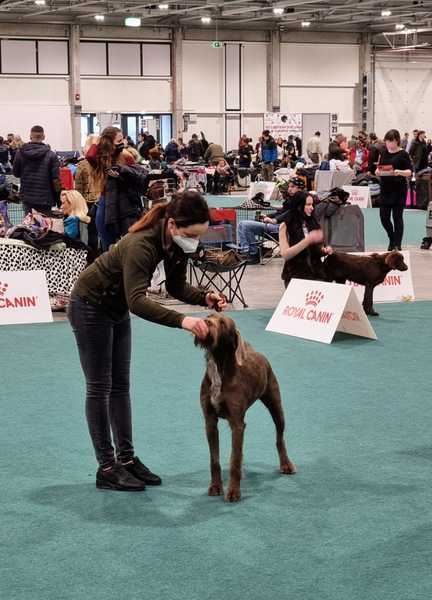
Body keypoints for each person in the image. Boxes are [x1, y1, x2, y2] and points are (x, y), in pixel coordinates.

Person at [67, 191, 227, 491]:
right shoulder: (141, 244)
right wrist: (184, 321)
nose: (195, 241)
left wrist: (204, 297)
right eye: (192, 234)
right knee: (100, 388)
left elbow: (177, 286)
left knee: (121, 387)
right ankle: (106, 467)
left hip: (114, 309)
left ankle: (126, 460)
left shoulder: (177, 243)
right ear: (173, 226)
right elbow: (137, 301)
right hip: (90, 306)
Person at [237, 177, 307, 264]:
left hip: (283, 230)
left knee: (245, 225)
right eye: (289, 186)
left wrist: (274, 220)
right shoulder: (291, 199)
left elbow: (290, 213)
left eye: (292, 187)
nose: (289, 189)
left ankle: (252, 253)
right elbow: (281, 212)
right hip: (276, 227)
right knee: (244, 223)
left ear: (300, 189)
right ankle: (250, 251)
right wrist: (267, 216)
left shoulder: (301, 200)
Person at [279, 194, 332, 288]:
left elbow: (317, 251)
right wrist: (307, 241)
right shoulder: (285, 225)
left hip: (317, 273)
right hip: (295, 275)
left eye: (312, 205)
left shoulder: (313, 223)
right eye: (308, 204)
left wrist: (325, 250)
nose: (312, 208)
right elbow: (286, 254)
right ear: (299, 206)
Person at [85, 126, 125, 252]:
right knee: (107, 241)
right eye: (119, 141)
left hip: (123, 202)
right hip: (106, 201)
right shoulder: (104, 161)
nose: (122, 143)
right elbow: (90, 156)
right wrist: (97, 143)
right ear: (109, 142)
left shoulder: (126, 157)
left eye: (122, 140)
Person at [376, 129, 412, 251]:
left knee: (397, 217)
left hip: (399, 190)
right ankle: (392, 238)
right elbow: (380, 167)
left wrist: (399, 172)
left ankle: (397, 244)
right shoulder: (383, 152)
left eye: (390, 141)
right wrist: (377, 172)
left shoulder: (403, 154)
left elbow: (409, 172)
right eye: (386, 141)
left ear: (397, 141)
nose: (388, 144)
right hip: (385, 189)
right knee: (384, 217)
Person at [13, 125, 60, 215]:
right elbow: (56, 180)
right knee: (45, 226)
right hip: (45, 198)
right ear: (43, 137)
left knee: (29, 226)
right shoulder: (51, 155)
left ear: (30, 136)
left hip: (27, 197)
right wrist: (58, 199)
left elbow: (16, 174)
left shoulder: (20, 153)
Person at [75, 134, 100, 253]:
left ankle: (91, 254)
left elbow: (78, 187)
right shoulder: (104, 163)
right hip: (102, 199)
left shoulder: (82, 165)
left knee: (91, 230)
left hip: (88, 201)